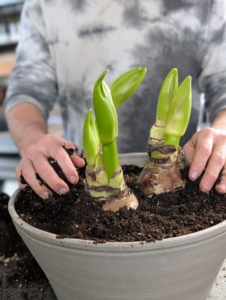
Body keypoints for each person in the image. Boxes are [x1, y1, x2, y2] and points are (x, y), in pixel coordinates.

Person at [4, 0, 226, 199]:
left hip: (186, 174)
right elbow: (26, 90)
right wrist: (33, 142)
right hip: (83, 172)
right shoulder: (45, 5)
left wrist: (221, 132)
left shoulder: (208, 4)